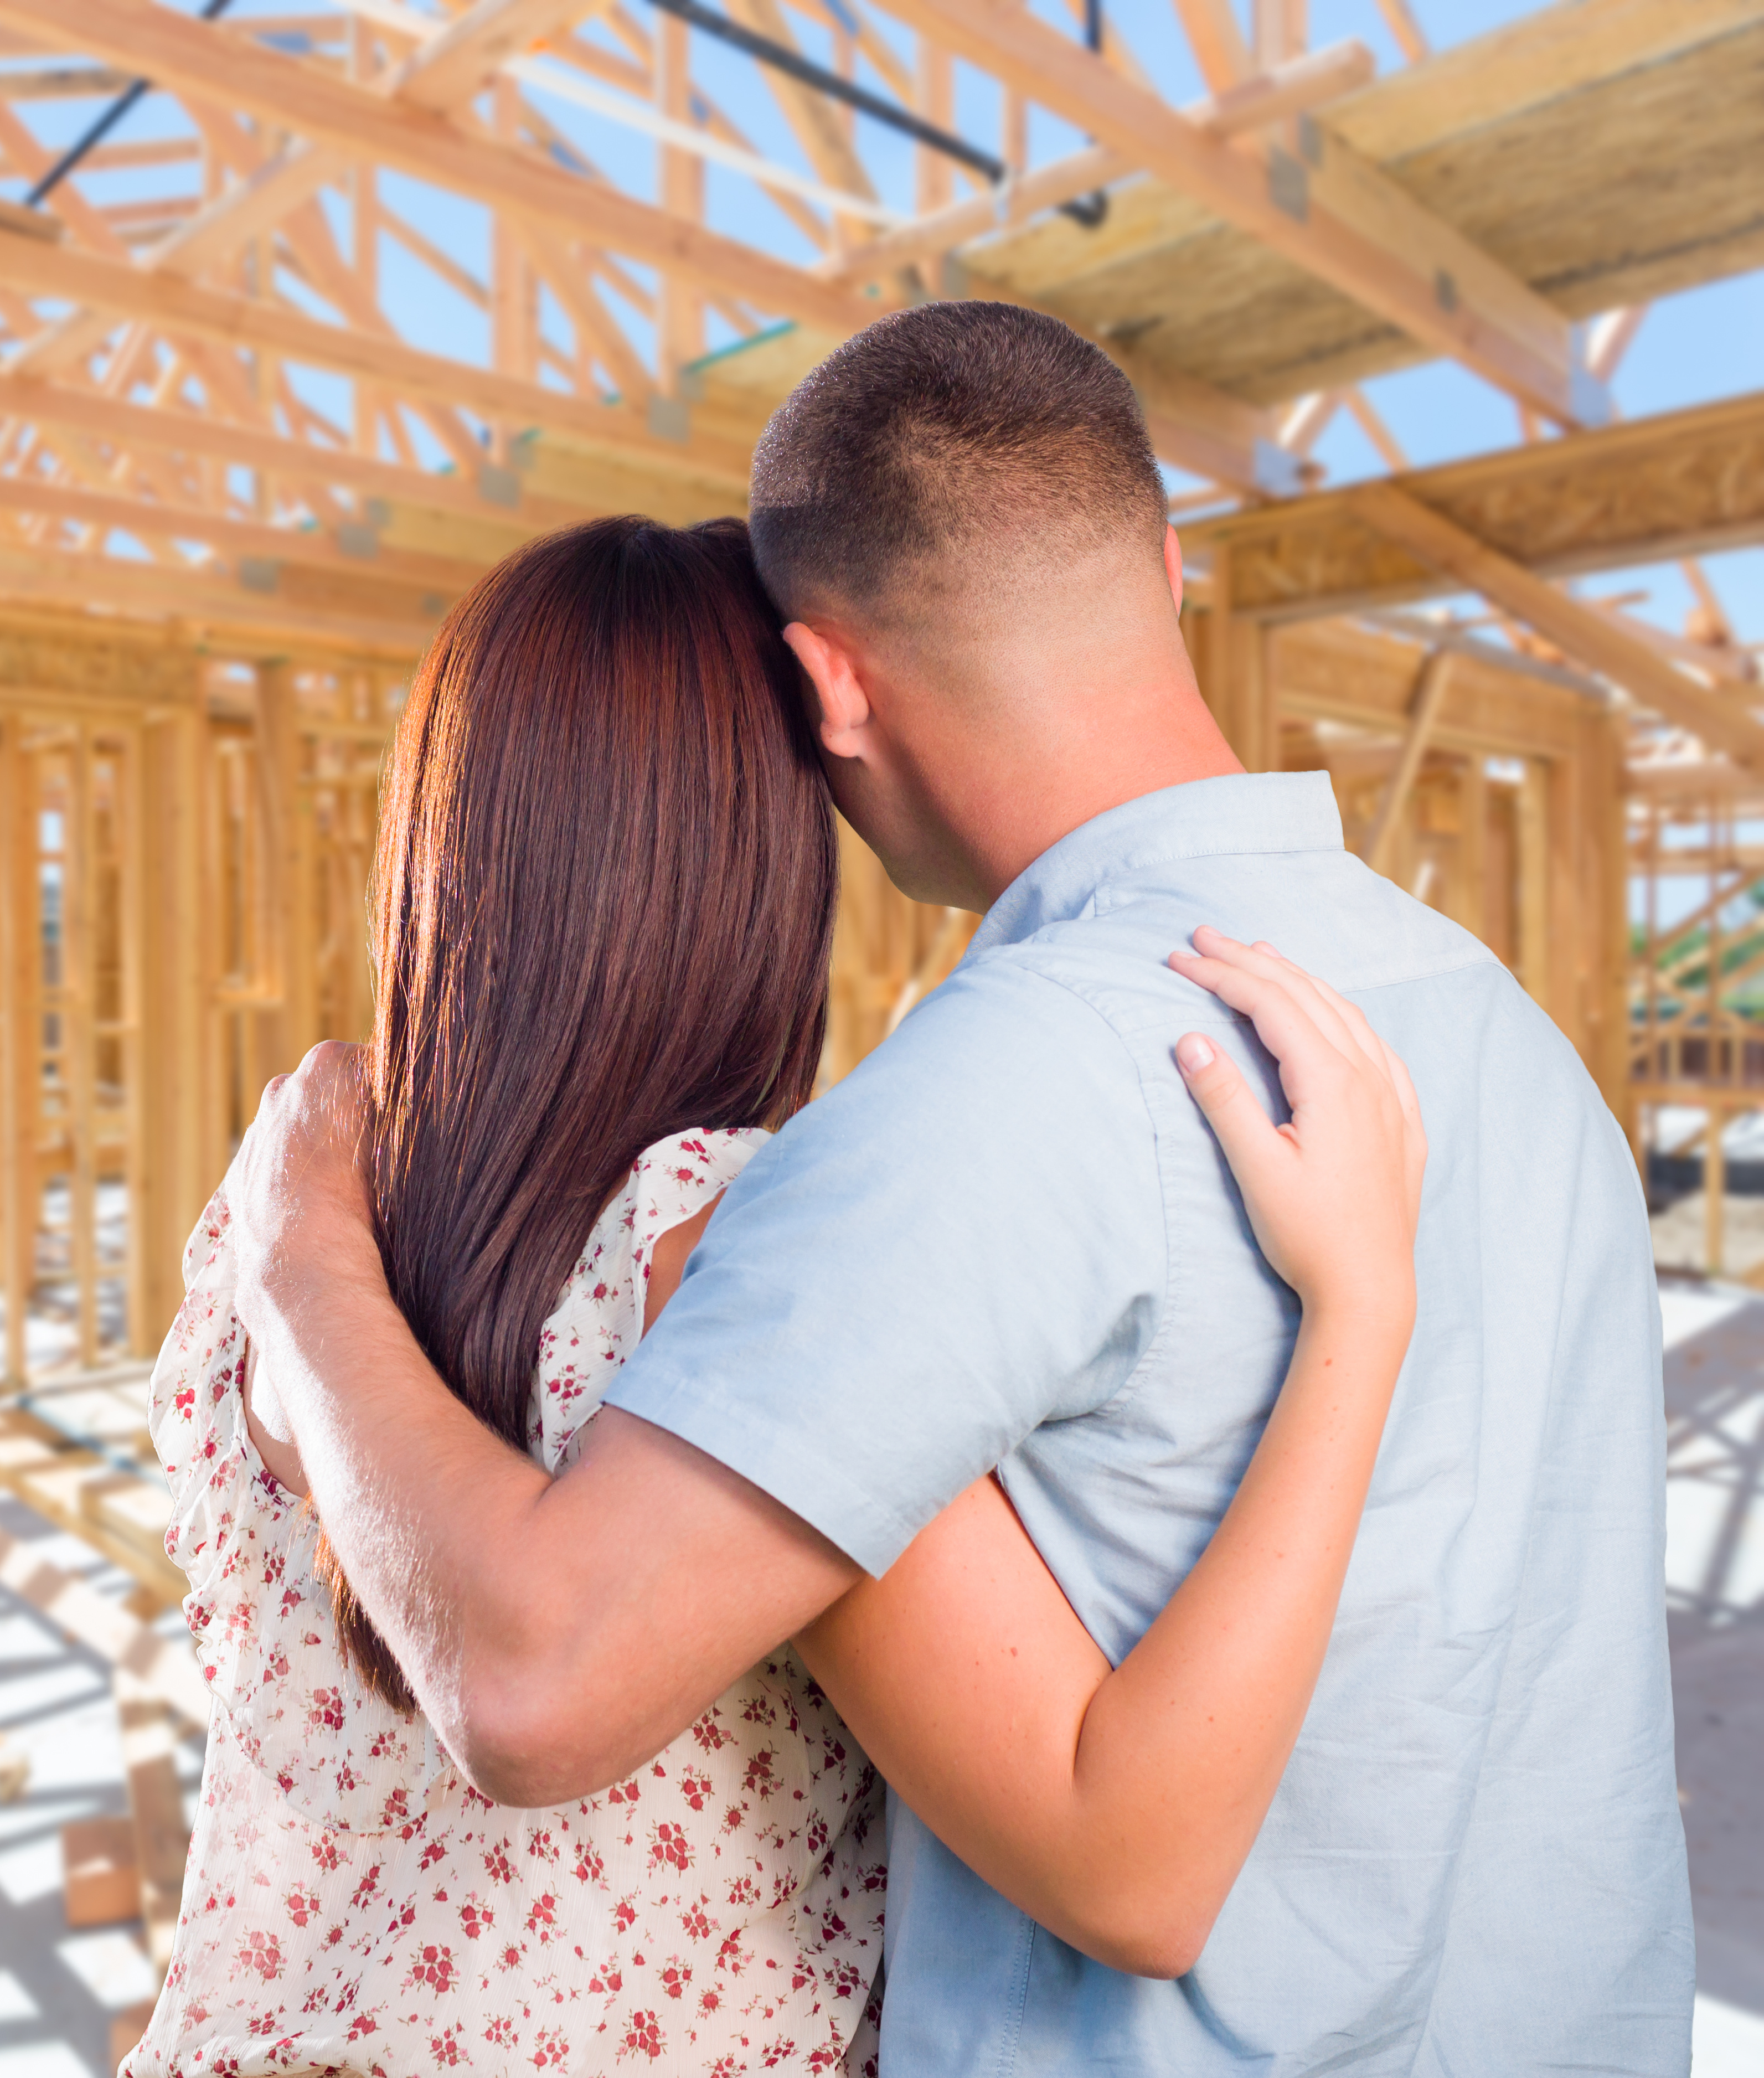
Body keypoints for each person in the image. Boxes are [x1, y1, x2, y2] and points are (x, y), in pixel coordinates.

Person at [219, 303, 1693, 2073]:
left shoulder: (971, 1111)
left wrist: (302, 1259)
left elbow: (536, 1684)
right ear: (1164, 562)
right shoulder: (1507, 1041)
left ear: (828, 683)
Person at [132, 509, 1428, 2077]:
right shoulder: (722, 1250)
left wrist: (300, 1255)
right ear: (758, 854)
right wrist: (1362, 1310)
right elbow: (1127, 1861)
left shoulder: (282, 1210)